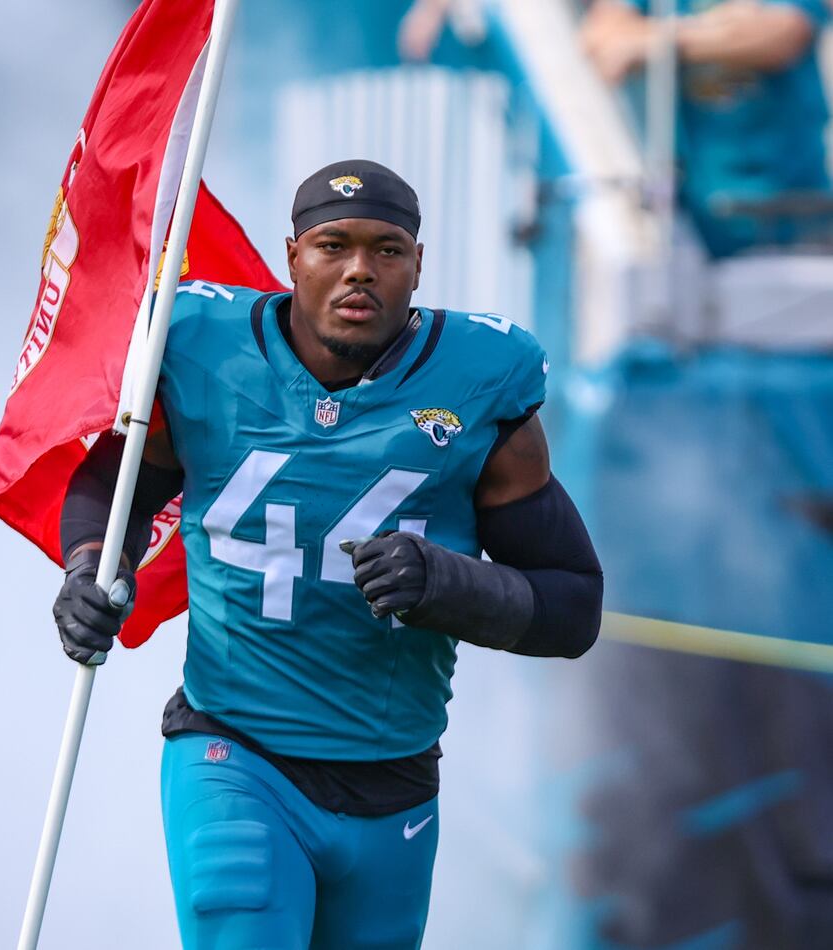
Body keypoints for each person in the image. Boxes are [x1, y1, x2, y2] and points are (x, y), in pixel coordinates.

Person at [51, 159, 603, 949]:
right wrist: (89, 569)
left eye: (387, 250)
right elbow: (120, 483)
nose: (358, 270)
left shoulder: (482, 381)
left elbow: (572, 606)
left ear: (419, 266)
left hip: (395, 779)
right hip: (234, 751)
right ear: (292, 257)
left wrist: (443, 582)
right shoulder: (200, 345)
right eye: (332, 245)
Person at [581, 0, 830, 257]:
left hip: (793, 220)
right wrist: (715, 30)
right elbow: (604, 42)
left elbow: (781, 35)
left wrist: (656, 39)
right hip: (688, 223)